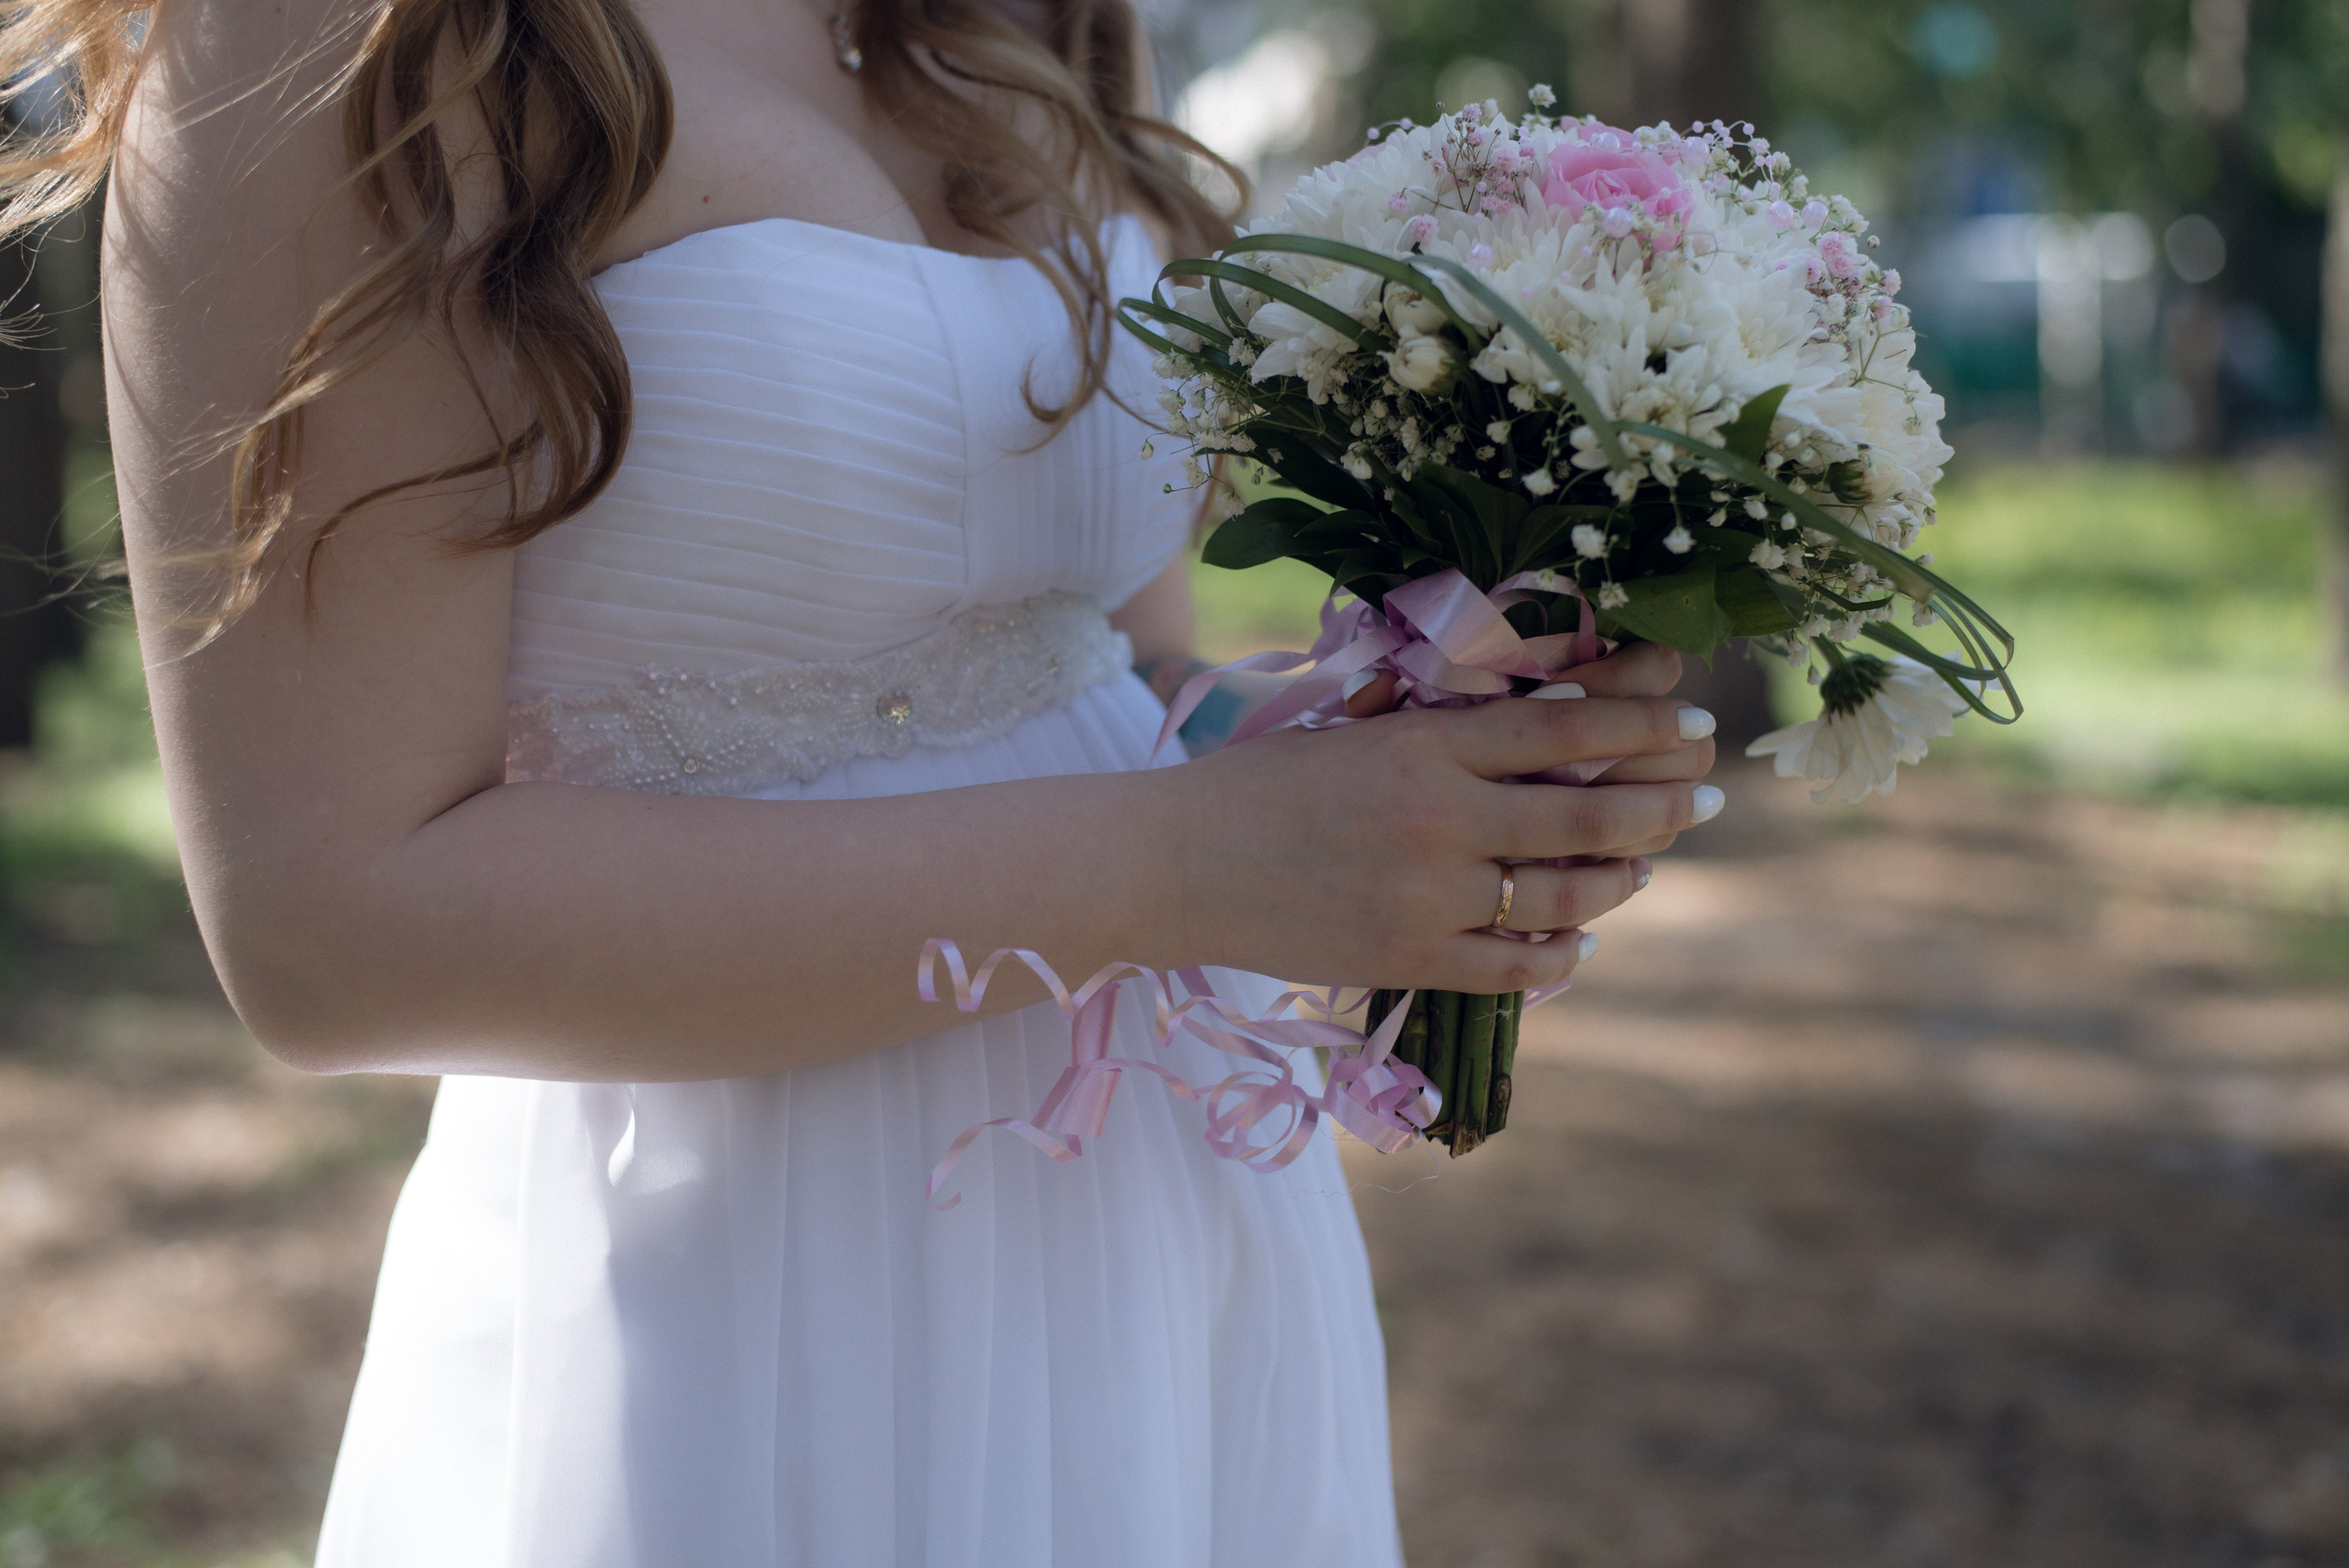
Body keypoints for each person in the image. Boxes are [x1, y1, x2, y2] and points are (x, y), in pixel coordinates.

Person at [0, 0, 1720, 1561]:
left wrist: (1385, 764)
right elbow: (327, 927)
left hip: (1161, 1223)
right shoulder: (326, 39)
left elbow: (1097, 664)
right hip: (737, 1275)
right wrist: (1189, 860)